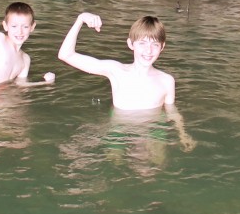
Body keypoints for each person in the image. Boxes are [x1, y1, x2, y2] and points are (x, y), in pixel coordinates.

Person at [57, 12, 195, 150]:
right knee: (114, 163)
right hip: (119, 127)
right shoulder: (116, 71)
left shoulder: (167, 80)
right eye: (142, 43)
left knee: (155, 166)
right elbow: (65, 55)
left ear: (162, 47)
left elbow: (171, 110)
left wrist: (182, 134)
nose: (148, 50)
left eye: (155, 44)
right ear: (131, 44)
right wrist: (81, 19)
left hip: (154, 128)